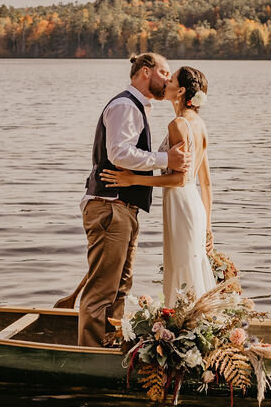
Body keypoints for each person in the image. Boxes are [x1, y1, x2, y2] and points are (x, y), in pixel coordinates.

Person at [56, 53, 191, 347]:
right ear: (146, 72)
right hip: (109, 207)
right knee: (102, 291)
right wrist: (165, 158)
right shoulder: (124, 106)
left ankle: (108, 344)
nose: (168, 79)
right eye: (164, 72)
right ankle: (90, 355)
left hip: (122, 208)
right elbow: (119, 153)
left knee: (120, 287)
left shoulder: (136, 107)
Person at [100, 66, 216, 306]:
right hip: (194, 205)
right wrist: (208, 226)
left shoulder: (178, 125)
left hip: (180, 204)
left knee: (182, 268)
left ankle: (186, 329)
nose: (166, 82)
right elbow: (204, 182)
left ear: (181, 90)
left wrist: (133, 179)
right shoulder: (200, 125)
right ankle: (197, 324)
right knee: (191, 264)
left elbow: (179, 179)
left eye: (171, 79)